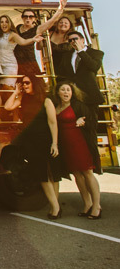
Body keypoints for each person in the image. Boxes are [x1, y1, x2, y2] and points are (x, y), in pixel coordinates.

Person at [3, 75, 66, 219]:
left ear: (35, 83)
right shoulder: (23, 99)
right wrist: (16, 92)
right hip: (31, 141)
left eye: (27, 83)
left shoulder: (46, 99)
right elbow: (8, 106)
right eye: (23, 83)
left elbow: (52, 122)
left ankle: (54, 206)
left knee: (52, 175)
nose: (24, 85)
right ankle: (56, 207)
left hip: (46, 140)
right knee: (42, 174)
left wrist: (55, 143)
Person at [54, 82, 102, 219]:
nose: (65, 92)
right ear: (58, 92)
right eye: (62, 89)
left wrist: (83, 121)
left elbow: (92, 121)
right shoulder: (56, 107)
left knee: (87, 173)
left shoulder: (78, 106)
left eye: (68, 90)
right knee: (77, 175)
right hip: (67, 146)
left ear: (72, 93)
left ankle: (97, 205)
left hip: (80, 143)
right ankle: (87, 204)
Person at [57, 31, 104, 129]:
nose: (73, 42)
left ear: (82, 40)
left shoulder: (96, 53)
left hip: (89, 96)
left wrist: (81, 51)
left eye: (75, 39)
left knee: (90, 127)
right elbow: (62, 74)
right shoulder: (66, 56)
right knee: (74, 128)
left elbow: (94, 67)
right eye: (70, 40)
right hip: (73, 97)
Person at [14, 0, 68, 77]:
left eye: (31, 17)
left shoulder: (37, 29)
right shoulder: (17, 28)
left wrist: (60, 8)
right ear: (22, 18)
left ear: (34, 19)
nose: (28, 18)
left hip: (30, 61)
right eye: (26, 16)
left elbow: (52, 21)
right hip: (16, 62)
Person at [0, 15, 44, 89]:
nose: (4, 24)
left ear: (10, 24)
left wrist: (33, 39)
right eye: (2, 22)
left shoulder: (12, 35)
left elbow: (23, 42)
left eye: (6, 22)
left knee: (7, 88)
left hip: (9, 65)